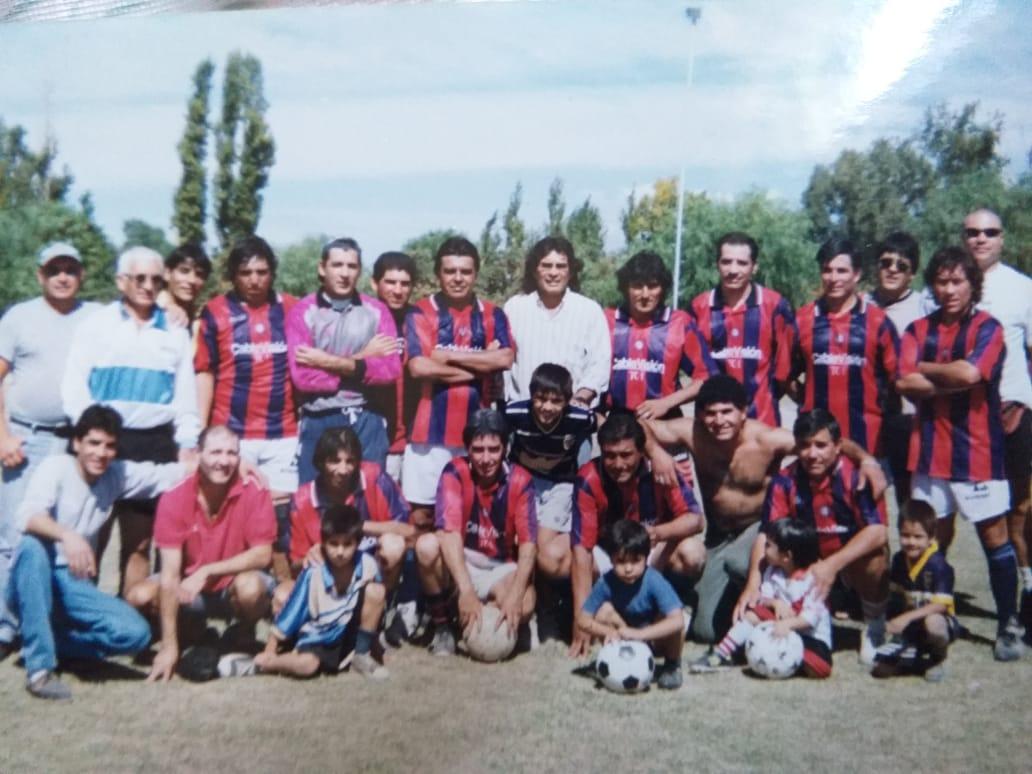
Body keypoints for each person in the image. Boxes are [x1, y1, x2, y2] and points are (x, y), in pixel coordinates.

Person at [643, 375, 885, 645]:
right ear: (700, 415)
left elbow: (821, 441)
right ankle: (732, 602)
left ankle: (775, 602)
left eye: (727, 412)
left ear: (743, 412)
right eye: (710, 413)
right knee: (706, 632)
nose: (719, 420)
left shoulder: (768, 439)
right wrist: (656, 453)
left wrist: (867, 460)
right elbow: (639, 426)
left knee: (738, 562)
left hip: (757, 529)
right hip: (718, 536)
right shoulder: (693, 433)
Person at [6, 405, 187, 700]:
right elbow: (27, 517)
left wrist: (222, 462)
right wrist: (68, 536)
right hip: (35, 576)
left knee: (135, 634)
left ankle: (48, 641)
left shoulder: (115, 474)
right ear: (77, 443)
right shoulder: (56, 467)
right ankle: (39, 670)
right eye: (93, 443)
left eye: (109, 446)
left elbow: (166, 474)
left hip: (72, 583)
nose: (101, 453)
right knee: (31, 546)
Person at [896, 246, 1023, 661]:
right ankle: (934, 617)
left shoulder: (989, 328)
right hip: (928, 453)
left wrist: (927, 369)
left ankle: (1008, 624)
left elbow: (972, 372)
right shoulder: (917, 329)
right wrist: (953, 377)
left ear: (973, 285)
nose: (950, 290)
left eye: (958, 281)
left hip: (978, 453)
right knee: (931, 542)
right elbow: (903, 381)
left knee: (995, 539)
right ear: (932, 286)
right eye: (942, 282)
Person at [61, 245, 200, 597]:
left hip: (153, 443)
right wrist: (90, 437)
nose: (148, 286)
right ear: (121, 281)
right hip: (104, 441)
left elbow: (185, 395)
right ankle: (83, 615)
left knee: (139, 542)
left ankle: (128, 616)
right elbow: (74, 385)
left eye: (155, 280)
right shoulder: (96, 325)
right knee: (90, 535)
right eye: (140, 278)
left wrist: (187, 443)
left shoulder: (175, 330)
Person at [0, 241, 98, 656]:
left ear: (81, 275)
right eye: (54, 269)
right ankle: (7, 626)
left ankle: (62, 624)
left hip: (76, 441)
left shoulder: (95, 316)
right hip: (27, 437)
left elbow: (138, 312)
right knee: (14, 534)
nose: (62, 277)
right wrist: (2, 436)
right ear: (40, 275)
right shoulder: (18, 317)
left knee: (74, 533)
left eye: (70, 269)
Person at [131, 425, 277, 682]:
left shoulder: (254, 488)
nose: (224, 461)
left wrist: (208, 570)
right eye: (215, 452)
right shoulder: (174, 496)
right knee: (139, 596)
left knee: (251, 588)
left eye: (231, 453)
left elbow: (263, 554)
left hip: (233, 584)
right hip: (190, 590)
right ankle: (193, 634)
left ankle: (242, 633)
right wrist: (169, 647)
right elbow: (169, 574)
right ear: (198, 455)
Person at [195, 235, 298, 580]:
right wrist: (202, 432)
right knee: (232, 518)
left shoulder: (292, 309)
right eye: (245, 272)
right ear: (233, 275)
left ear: (272, 272)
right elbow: (205, 372)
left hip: (283, 434)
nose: (254, 280)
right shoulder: (215, 312)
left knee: (281, 527)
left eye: (262, 271)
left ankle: (282, 597)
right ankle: (230, 596)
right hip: (233, 435)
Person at [750, 410, 890, 664]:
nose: (812, 454)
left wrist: (831, 565)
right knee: (775, 555)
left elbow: (878, 532)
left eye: (821, 445)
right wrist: (753, 584)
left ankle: (874, 627)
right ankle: (792, 618)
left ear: (838, 446)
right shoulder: (785, 480)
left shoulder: (857, 477)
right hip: (807, 568)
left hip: (846, 564)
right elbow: (769, 533)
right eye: (805, 446)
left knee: (875, 558)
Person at [570, 410, 705, 657]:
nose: (618, 464)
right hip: (611, 556)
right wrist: (580, 618)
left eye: (626, 455)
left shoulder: (661, 468)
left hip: (650, 551)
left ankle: (672, 606)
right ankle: (606, 613)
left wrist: (657, 532)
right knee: (573, 559)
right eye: (610, 456)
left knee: (692, 552)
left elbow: (696, 520)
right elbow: (582, 548)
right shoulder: (589, 477)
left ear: (641, 451)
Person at [404, 237, 514, 531]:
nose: (457, 278)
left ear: (475, 273)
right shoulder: (421, 312)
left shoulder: (492, 314)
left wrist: (447, 356)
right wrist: (481, 366)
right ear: (438, 274)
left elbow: (505, 358)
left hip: (477, 436)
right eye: (450, 271)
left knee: (470, 516)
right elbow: (419, 367)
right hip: (428, 433)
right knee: (423, 517)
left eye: (465, 271)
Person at [961, 208, 1032, 632]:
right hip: (964, 420)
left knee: (1021, 509)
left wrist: (1023, 401)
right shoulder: (946, 287)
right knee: (974, 514)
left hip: (1013, 415)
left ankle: (1028, 593)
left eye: (990, 232)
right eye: (973, 232)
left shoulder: (1023, 288)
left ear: (1002, 238)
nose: (981, 239)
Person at [415, 409, 536, 656]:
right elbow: (449, 534)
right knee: (426, 546)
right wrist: (467, 590)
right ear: (467, 450)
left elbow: (528, 544)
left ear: (505, 448)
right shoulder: (454, 472)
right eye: (478, 450)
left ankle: (487, 618)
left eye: (493, 449)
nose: (486, 458)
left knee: (524, 605)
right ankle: (443, 627)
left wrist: (514, 595)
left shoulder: (521, 480)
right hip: (463, 561)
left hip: (500, 567)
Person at [286, 237, 401, 483]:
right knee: (315, 498)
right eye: (337, 265)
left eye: (352, 266)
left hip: (367, 417)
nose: (345, 273)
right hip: (320, 417)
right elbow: (304, 378)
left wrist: (325, 361)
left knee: (369, 496)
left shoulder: (377, 311)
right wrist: (362, 359)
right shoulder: (303, 312)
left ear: (359, 270)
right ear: (322, 268)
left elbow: (390, 371)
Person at [505, 363, 595, 640]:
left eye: (556, 401)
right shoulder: (514, 413)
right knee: (521, 541)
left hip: (560, 485)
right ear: (531, 396)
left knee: (541, 546)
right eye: (541, 399)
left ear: (568, 401)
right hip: (526, 483)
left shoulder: (579, 418)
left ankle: (548, 608)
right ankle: (527, 605)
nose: (547, 407)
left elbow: (599, 424)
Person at [252, 504, 389, 679]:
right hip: (322, 634)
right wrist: (271, 647)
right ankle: (271, 663)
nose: (340, 552)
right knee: (307, 666)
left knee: (377, 590)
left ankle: (361, 654)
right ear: (323, 542)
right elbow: (293, 609)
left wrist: (375, 645)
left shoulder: (367, 564)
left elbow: (374, 606)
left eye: (347, 544)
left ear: (358, 543)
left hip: (350, 631)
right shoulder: (314, 572)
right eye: (334, 544)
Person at [791, 237, 900, 455]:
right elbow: (786, 376)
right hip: (816, 445)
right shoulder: (802, 319)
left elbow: (896, 382)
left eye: (841, 271)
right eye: (827, 270)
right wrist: (809, 402)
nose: (833, 278)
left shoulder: (878, 322)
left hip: (868, 443)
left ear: (856, 274)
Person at [280, 426, 412, 599]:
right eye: (334, 461)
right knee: (283, 595)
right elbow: (294, 565)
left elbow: (409, 532)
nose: (343, 470)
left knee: (393, 544)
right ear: (320, 463)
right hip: (329, 580)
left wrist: (357, 526)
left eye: (350, 461)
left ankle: (384, 602)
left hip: (375, 572)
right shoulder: (302, 500)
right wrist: (310, 558)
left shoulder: (374, 478)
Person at [690, 518, 832, 679]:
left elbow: (810, 618)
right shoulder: (773, 572)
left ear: (787, 556)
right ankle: (722, 654)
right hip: (778, 626)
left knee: (820, 669)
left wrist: (787, 625)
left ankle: (785, 659)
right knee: (754, 614)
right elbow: (763, 598)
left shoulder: (813, 581)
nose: (764, 549)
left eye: (768, 545)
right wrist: (775, 603)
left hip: (808, 637)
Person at [689, 232, 797, 427]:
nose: (733, 270)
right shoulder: (699, 307)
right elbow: (694, 369)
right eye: (726, 262)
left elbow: (783, 372)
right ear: (717, 264)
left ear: (754, 267)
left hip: (762, 423)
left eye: (742, 263)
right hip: (712, 425)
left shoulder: (775, 306)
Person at [605, 250, 716, 421]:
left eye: (652, 286)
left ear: (663, 288)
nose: (645, 294)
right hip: (618, 423)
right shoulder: (607, 320)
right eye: (637, 286)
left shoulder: (680, 323)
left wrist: (666, 403)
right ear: (626, 287)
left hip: (666, 422)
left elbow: (706, 378)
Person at [577, 519, 685, 689]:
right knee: (604, 611)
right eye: (621, 561)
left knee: (671, 615)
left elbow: (678, 621)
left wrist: (640, 634)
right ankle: (616, 660)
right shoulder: (606, 582)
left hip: (654, 638)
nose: (628, 569)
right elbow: (582, 619)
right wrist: (609, 631)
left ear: (646, 558)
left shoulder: (654, 580)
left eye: (635, 561)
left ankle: (672, 666)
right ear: (611, 559)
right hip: (623, 636)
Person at [503, 236, 610, 408]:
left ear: (571, 271)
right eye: (546, 265)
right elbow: (505, 364)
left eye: (560, 266)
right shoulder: (514, 308)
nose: (553, 273)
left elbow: (599, 366)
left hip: (572, 414)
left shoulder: (590, 311)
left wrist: (581, 398)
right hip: (523, 413)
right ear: (534, 270)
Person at [867, 231, 925, 506]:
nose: (892, 270)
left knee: (909, 499)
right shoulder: (860, 304)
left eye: (901, 265)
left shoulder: (924, 308)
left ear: (912, 274)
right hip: (868, 416)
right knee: (865, 495)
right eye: (886, 262)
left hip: (908, 417)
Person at [872, 500, 957, 682]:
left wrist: (905, 618)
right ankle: (910, 648)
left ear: (931, 537)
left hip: (936, 621)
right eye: (905, 535)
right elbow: (895, 597)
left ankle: (938, 656)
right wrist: (890, 623)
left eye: (918, 537)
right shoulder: (899, 560)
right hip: (911, 625)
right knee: (880, 670)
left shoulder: (939, 565)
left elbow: (940, 606)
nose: (911, 542)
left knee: (933, 623)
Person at [367, 251, 420, 484]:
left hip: (415, 441)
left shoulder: (419, 319)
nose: (398, 290)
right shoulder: (361, 318)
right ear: (374, 282)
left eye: (405, 284)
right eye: (390, 282)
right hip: (373, 437)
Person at [158, 243, 211, 330]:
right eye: (184, 271)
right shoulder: (153, 311)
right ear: (167, 273)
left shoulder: (197, 316)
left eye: (199, 274)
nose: (192, 280)